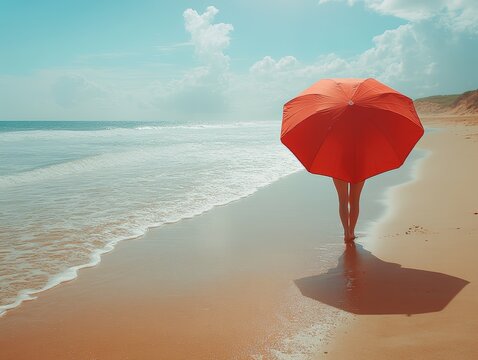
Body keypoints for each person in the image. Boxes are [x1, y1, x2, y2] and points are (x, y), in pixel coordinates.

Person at [332, 178, 365, 244]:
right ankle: (351, 232)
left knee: (343, 201)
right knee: (355, 200)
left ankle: (346, 232)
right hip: (358, 168)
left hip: (340, 168)